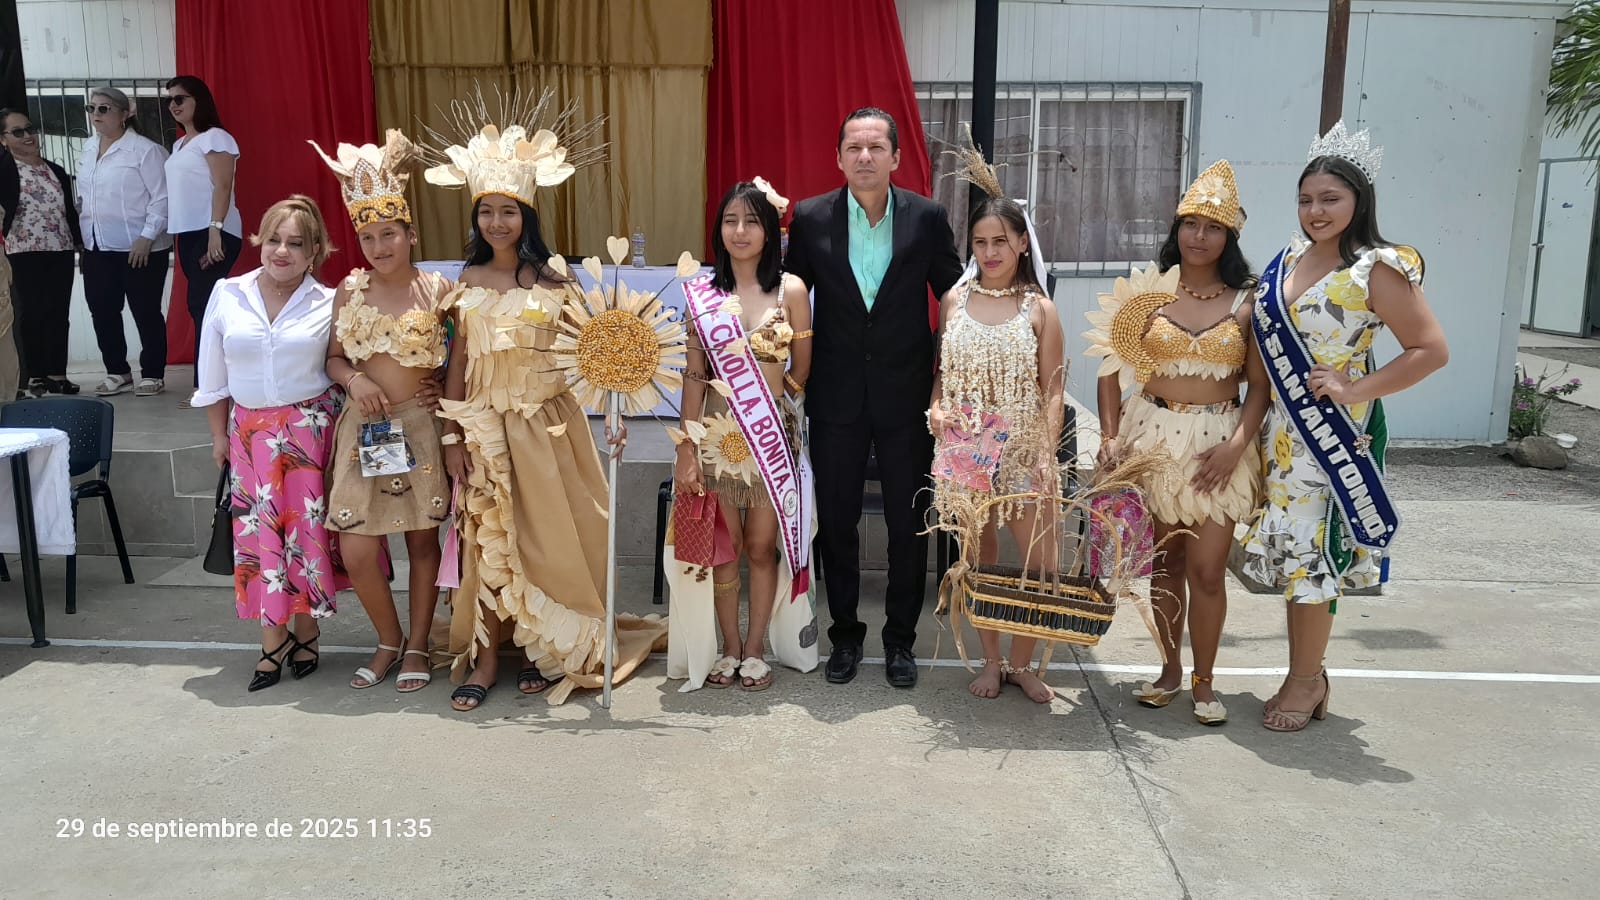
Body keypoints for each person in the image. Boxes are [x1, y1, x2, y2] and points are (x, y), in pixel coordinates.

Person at [422, 94, 668, 709]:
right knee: (485, 543)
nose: (497, 223)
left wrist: (614, 415)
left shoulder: (558, 281)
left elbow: (594, 358)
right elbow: (458, 365)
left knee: (550, 543)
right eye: (486, 212)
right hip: (484, 431)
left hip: (549, 430)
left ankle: (543, 648)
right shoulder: (464, 282)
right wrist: (451, 438)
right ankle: (485, 659)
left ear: (527, 216)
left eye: (508, 211)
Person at [1240, 121, 1449, 731]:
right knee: (1295, 555)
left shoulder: (1374, 269)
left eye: (1330, 198)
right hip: (1283, 435)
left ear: (1360, 200)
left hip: (1332, 435)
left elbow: (1430, 350)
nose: (1316, 211)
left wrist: (1354, 388)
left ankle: (1306, 681)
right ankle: (1306, 673)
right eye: (1306, 199)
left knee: (1315, 555)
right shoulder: (1289, 260)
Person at [783, 107, 964, 688]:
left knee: (908, 524)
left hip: (906, 397)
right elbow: (787, 297)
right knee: (836, 521)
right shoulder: (811, 217)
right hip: (834, 396)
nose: (865, 157)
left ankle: (900, 640)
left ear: (895, 157)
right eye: (854, 148)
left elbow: (956, 295)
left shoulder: (926, 217)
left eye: (876, 148)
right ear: (838, 157)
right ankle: (844, 636)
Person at [1084, 160, 1268, 726]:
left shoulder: (1247, 301)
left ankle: (1204, 682)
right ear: (1176, 228)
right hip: (1153, 437)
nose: (1199, 236)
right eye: (1190, 224)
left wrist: (1236, 448)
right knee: (1166, 562)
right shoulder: (1149, 293)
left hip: (1218, 442)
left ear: (1229, 237)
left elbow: (1260, 389)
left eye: (1213, 227)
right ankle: (1168, 670)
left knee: (1208, 570)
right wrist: (1110, 437)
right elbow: (1110, 368)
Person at [190, 196, 346, 693]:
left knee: (306, 538)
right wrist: (218, 436)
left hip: (309, 434)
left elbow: (342, 367)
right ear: (259, 240)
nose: (282, 251)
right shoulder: (228, 293)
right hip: (249, 437)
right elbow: (212, 375)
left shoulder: (330, 301)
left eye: (296, 243)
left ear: (315, 250)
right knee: (261, 541)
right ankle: (272, 639)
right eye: (274, 239)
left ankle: (307, 629)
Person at [314, 130, 451, 693]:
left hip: (420, 426)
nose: (378, 246)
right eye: (367, 237)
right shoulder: (350, 289)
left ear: (411, 234)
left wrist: (441, 389)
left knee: (422, 541)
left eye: (389, 233)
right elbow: (333, 358)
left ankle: (417, 644)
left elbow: (460, 359)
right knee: (357, 546)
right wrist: (354, 378)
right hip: (367, 429)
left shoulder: (440, 290)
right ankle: (387, 638)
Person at [928, 150, 1065, 704]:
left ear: (1022, 244)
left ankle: (1023, 663)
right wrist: (936, 407)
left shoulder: (1040, 309)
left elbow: (1053, 388)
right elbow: (941, 374)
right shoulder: (954, 300)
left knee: (1038, 558)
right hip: (967, 444)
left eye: (1000, 242)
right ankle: (990, 659)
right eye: (980, 242)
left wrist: (1046, 452)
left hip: (1024, 443)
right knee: (977, 554)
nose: (989, 252)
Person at [669, 178, 814, 691]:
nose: (740, 230)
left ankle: (756, 649)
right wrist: (687, 447)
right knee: (724, 547)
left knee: (760, 546)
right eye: (730, 220)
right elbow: (693, 376)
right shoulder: (702, 294)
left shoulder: (791, 290)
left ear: (770, 230)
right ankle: (729, 647)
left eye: (752, 221)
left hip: (770, 437)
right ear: (718, 231)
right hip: (714, 436)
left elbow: (801, 369)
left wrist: (776, 409)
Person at [77, 86, 172, 397]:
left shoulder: (145, 151)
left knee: (145, 311)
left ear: (124, 114)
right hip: (97, 247)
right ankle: (117, 371)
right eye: (91, 108)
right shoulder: (89, 148)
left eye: (103, 108)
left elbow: (162, 198)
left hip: (139, 249)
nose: (96, 114)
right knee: (102, 310)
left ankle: (153, 373)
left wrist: (147, 237)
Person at [165, 75, 242, 398]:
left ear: (199, 100)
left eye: (180, 98)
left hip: (212, 231)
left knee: (204, 305)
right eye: (169, 100)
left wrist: (215, 229)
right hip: (188, 233)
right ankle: (210, 382)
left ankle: (208, 384)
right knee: (200, 306)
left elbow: (222, 186)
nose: (173, 105)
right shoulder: (180, 144)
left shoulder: (215, 137)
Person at [1, 108, 83, 395]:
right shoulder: (4, 171)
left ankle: (57, 374)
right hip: (21, 250)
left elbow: (68, 210)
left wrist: (78, 242)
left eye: (30, 129)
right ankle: (33, 375)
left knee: (58, 312)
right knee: (30, 312)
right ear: (3, 139)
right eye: (18, 132)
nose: (28, 136)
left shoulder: (54, 169)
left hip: (59, 248)